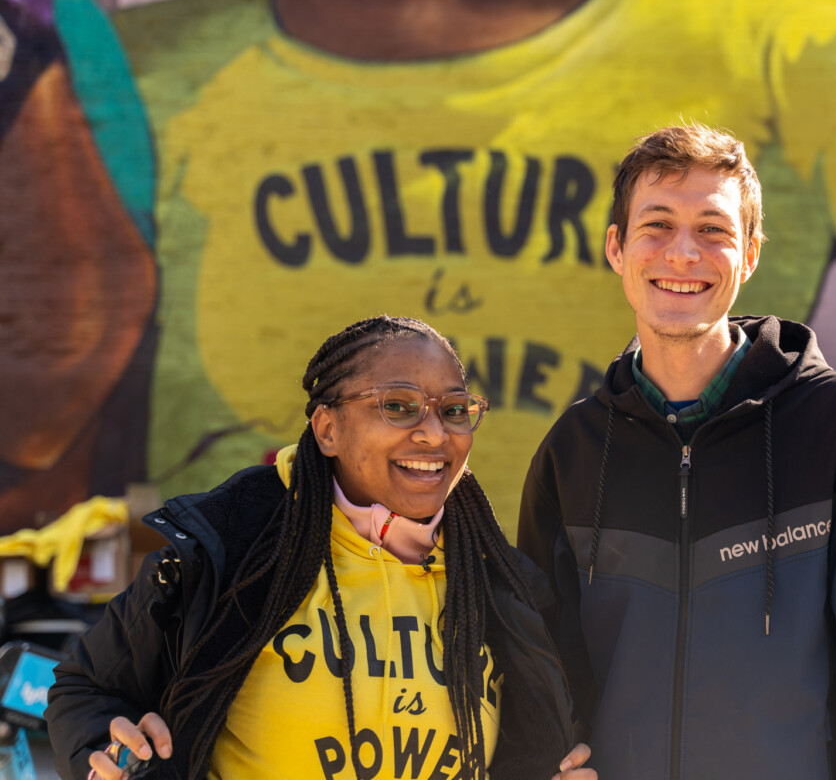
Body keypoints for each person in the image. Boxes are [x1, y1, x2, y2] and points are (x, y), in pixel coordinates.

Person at [517, 124, 836, 778]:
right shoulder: (574, 454)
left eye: (714, 230)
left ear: (750, 254)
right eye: (658, 226)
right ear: (617, 248)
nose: (682, 253)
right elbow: (538, 679)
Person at [46, 315, 595, 780]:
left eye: (453, 410)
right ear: (327, 429)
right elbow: (87, 687)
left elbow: (537, 745)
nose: (434, 434)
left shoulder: (495, 579)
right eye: (399, 407)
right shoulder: (233, 546)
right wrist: (103, 744)